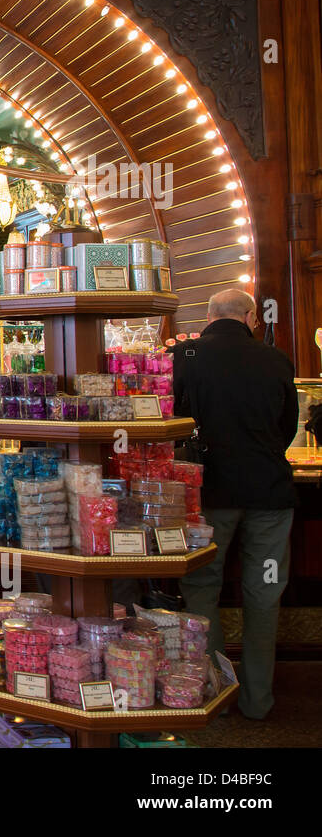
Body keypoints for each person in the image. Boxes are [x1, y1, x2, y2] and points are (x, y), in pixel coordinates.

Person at [176, 288, 298, 720]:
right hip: (270, 497)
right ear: (250, 317)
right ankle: (258, 700)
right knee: (264, 592)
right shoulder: (276, 359)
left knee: (202, 588)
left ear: (208, 317)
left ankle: (214, 693)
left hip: (209, 498)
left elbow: (175, 420)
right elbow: (287, 428)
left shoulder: (187, 357)